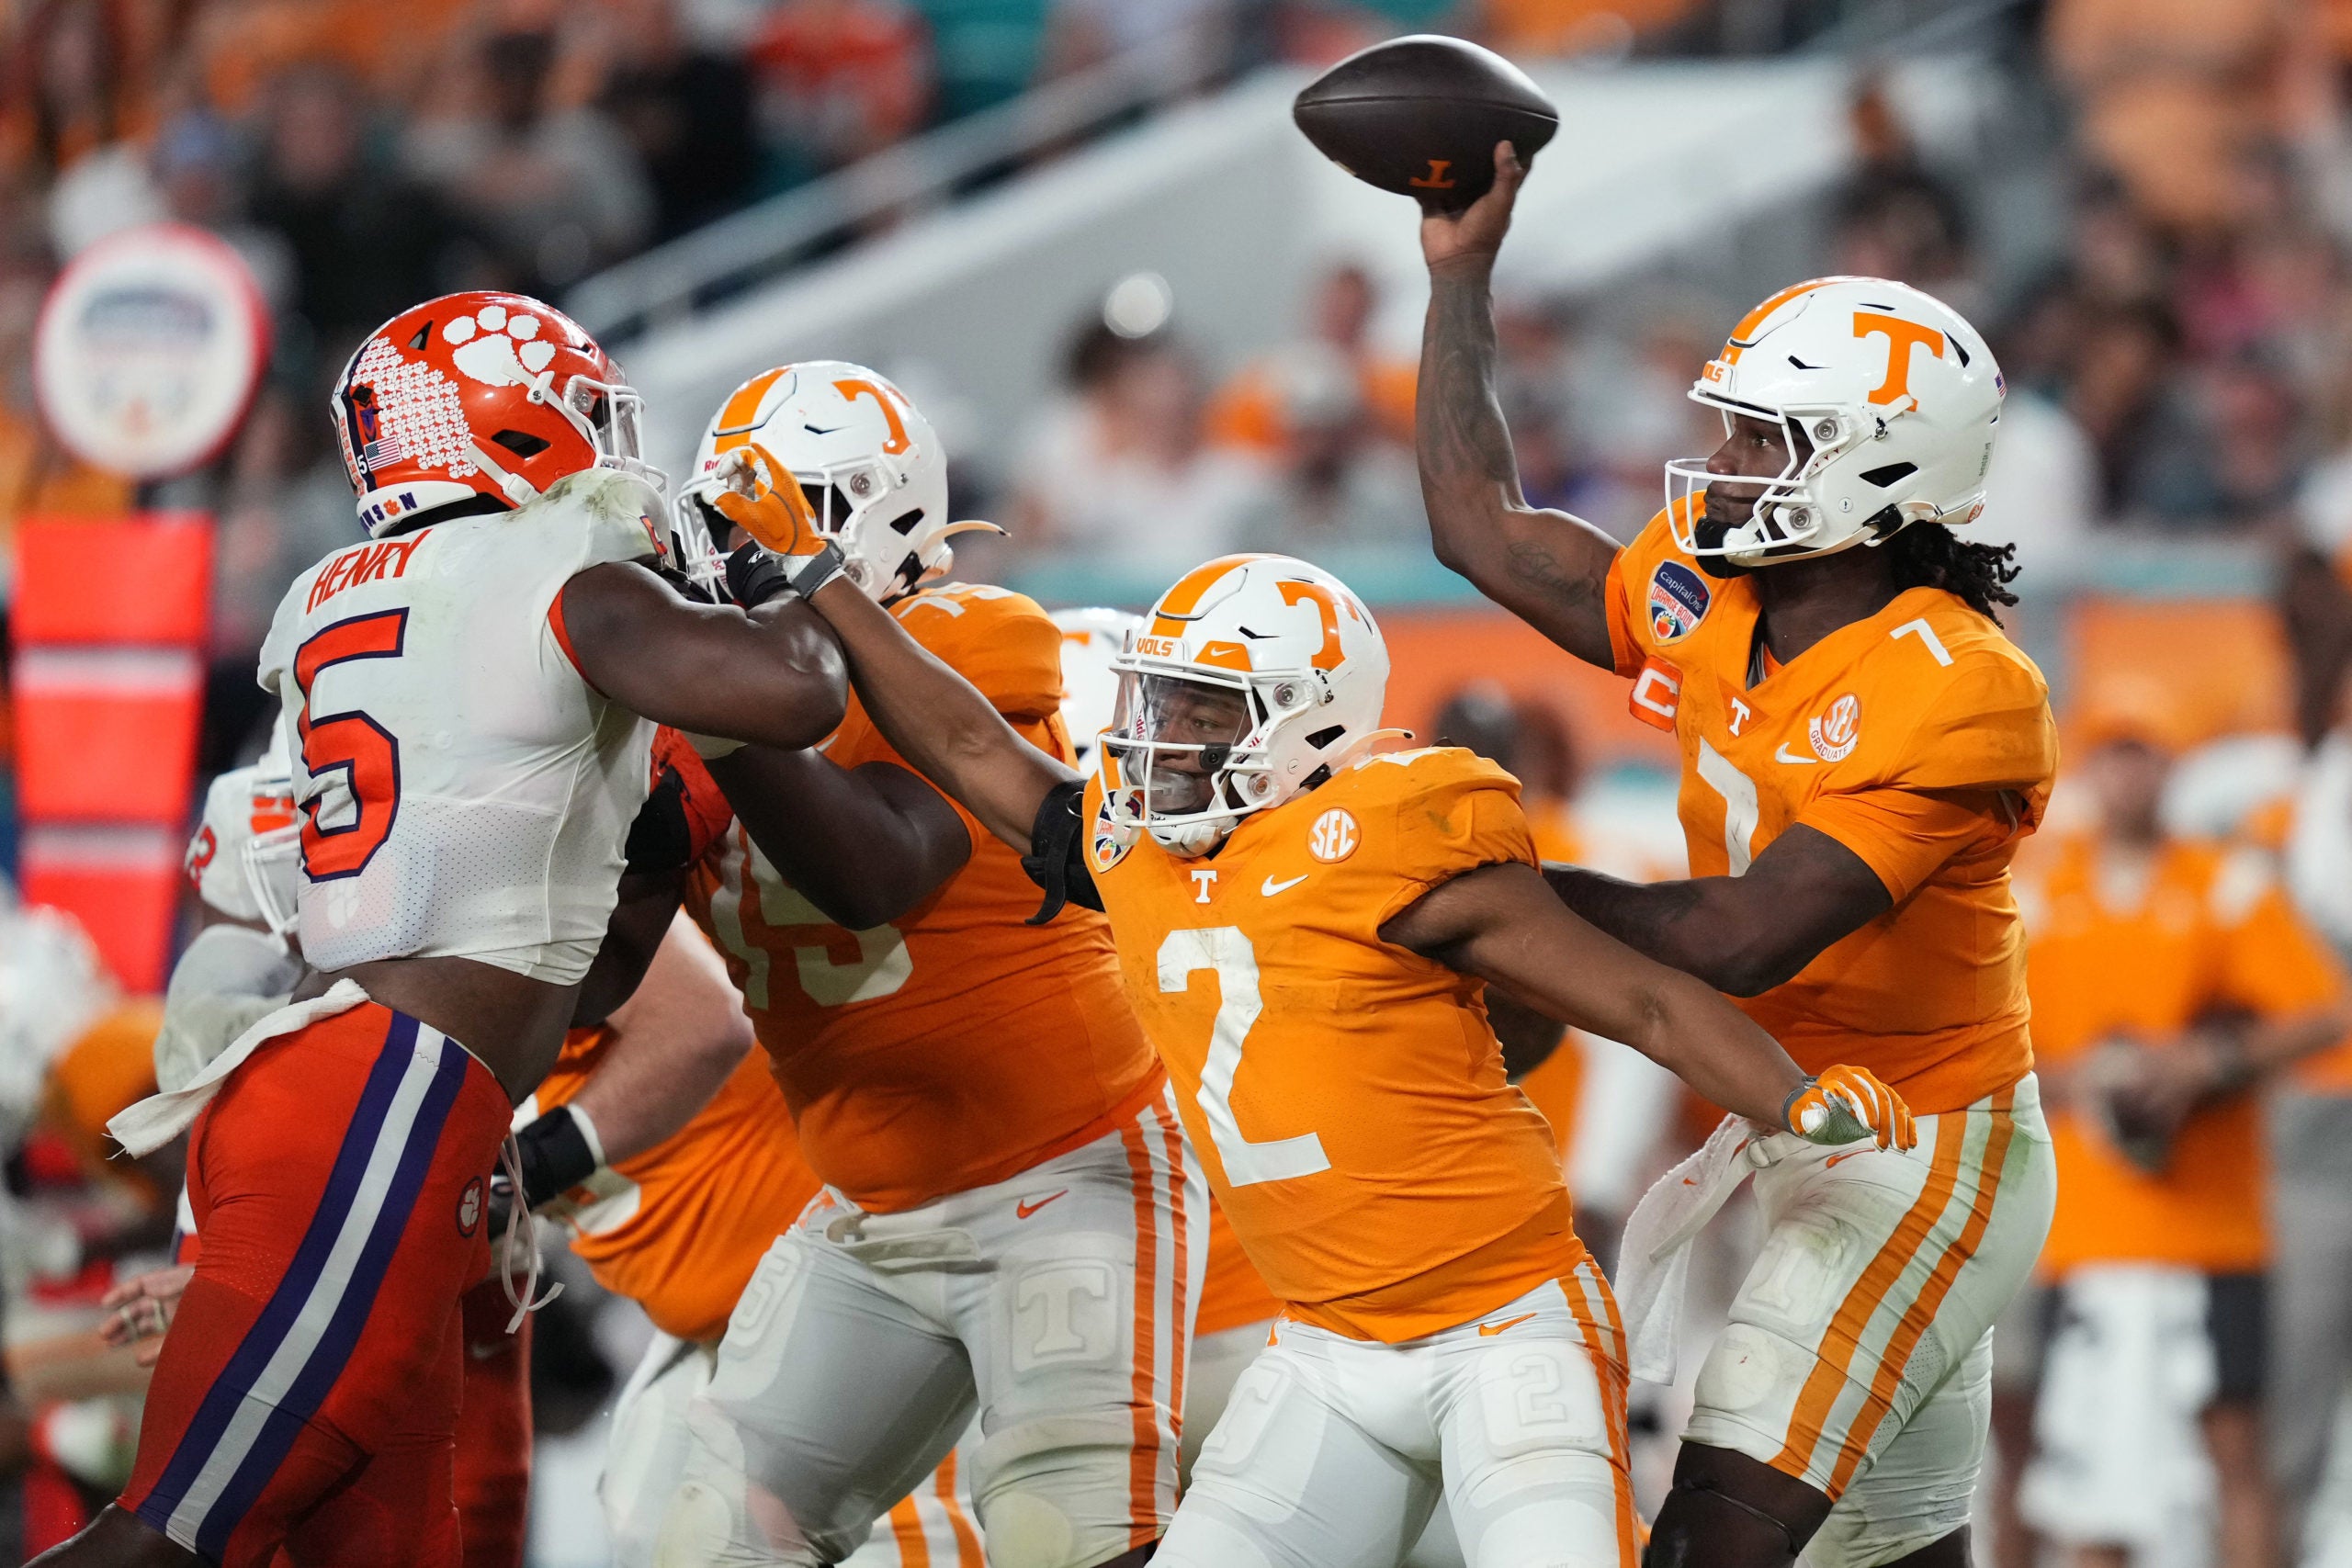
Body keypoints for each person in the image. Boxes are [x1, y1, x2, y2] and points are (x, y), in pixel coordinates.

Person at [715, 457, 1917, 1564]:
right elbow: (970, 741)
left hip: (1503, 1329)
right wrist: (821, 580)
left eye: (1197, 711)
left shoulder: (1392, 842)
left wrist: (1795, 1096)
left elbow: (1646, 997)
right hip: (1329, 1348)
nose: (1153, 738)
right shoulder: (1132, 848)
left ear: (1311, 722)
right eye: (1156, 702)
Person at [33, 288, 847, 1568]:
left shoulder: (324, 600)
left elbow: (511, 945)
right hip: (390, 1100)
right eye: (577, 412)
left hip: (334, 1084)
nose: (601, 444)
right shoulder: (557, 572)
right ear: (499, 424)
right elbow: (796, 693)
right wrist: (779, 567)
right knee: (171, 1540)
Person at [1413, 143, 2061, 1568]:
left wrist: (1480, 901)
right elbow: (1479, 525)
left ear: (1884, 468)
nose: (1723, 464)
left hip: (1923, 1143)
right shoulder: (1715, 589)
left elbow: (1746, 933)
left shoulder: (1959, 682)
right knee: (1885, 1554)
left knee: (1717, 1529)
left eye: (1769, 440)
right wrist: (1459, 275)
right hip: (1801, 1115)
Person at [649, 365, 1193, 1568]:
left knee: (1071, 1537)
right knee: (702, 1538)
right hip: (866, 1208)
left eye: (775, 521)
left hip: (1063, 1172)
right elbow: (607, 963)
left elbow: (874, 870)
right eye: (731, 522)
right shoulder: (688, 698)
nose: (741, 552)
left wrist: (716, 704)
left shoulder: (967, 638)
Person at [2014, 695, 2350, 1568]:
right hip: (2090, 1226)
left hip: (2212, 1223)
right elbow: (1986, 1055)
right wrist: (2095, 1077)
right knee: (2091, 1467)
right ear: (2091, 767)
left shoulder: (2222, 882)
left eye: (2148, 753)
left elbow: (2321, 1012)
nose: (2132, 773)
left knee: (2235, 1446)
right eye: (2116, 753)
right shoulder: (2045, 889)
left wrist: (2207, 1062)